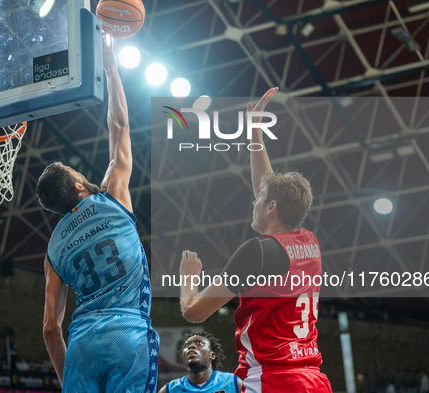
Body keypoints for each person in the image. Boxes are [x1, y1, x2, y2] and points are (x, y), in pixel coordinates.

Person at [179, 88, 332, 393]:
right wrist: (255, 133)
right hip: (313, 379)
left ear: (272, 207)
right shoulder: (309, 243)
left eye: (259, 198)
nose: (254, 200)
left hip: (271, 380)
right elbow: (268, 186)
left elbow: (193, 312)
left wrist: (188, 279)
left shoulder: (257, 252)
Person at [37, 34, 158, 393]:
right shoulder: (112, 196)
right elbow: (120, 126)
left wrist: (69, 377)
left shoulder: (53, 249)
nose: (82, 174)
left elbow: (49, 329)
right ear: (77, 186)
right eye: (77, 173)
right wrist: (111, 68)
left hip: (82, 343)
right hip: (128, 333)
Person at [158, 331, 242, 393]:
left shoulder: (233, 382)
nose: (191, 346)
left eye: (199, 343)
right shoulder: (169, 390)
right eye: (187, 345)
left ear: (212, 355)